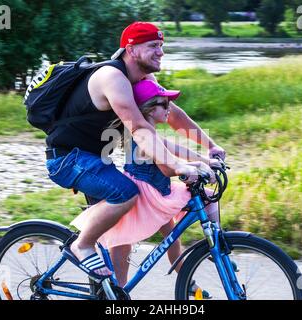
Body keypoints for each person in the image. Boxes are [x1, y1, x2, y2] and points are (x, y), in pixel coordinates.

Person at [45, 21, 226, 282]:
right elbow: (140, 128)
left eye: (161, 46)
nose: (161, 52)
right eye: (153, 46)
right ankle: (82, 244)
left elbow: (172, 114)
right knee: (125, 193)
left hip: (96, 159)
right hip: (68, 158)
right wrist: (178, 166)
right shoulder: (112, 78)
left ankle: (115, 293)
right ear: (131, 49)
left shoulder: (143, 79)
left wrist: (209, 146)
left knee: (121, 235)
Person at [70, 80, 219, 298]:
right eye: (164, 104)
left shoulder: (148, 129)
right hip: (144, 194)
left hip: (158, 192)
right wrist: (195, 167)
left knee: (172, 238)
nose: (169, 108)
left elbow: (172, 147)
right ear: (148, 108)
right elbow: (167, 168)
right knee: (123, 245)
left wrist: (203, 159)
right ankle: (115, 292)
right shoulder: (141, 134)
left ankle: (203, 261)